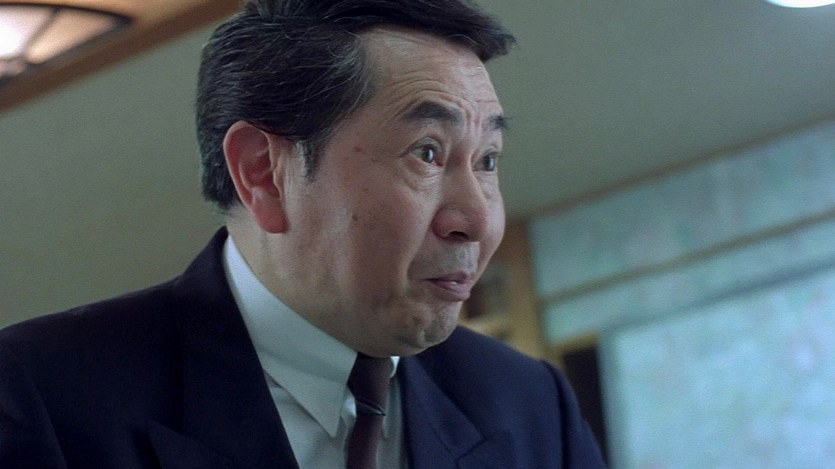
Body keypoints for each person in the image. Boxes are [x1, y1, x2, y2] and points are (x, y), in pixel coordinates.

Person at [0, 0, 606, 467]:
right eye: (427, 153)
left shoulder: (529, 404)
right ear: (263, 173)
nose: (476, 220)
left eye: (488, 160)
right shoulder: (40, 396)